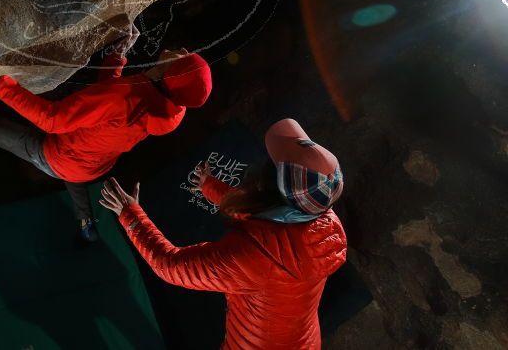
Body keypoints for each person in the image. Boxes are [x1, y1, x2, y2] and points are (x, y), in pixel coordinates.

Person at [0, 25, 213, 244]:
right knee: (76, 175)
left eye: (183, 59)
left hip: (56, 155)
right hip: (94, 164)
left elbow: (52, 120)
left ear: (169, 72)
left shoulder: (125, 96)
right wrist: (117, 56)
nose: (183, 50)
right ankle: (86, 222)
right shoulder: (171, 110)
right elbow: (109, 98)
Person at [99, 118, 347, 349]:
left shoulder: (253, 258)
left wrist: (130, 215)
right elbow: (264, 215)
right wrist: (209, 185)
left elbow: (169, 265)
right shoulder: (323, 218)